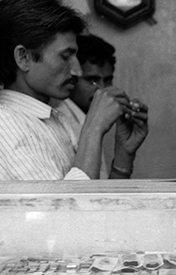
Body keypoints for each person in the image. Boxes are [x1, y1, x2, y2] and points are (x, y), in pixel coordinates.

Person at [0, 0, 142, 180]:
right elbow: (62, 207)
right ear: (23, 57)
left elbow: (95, 203)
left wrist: (123, 155)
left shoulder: (57, 121)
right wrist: (94, 127)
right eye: (65, 56)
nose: (77, 71)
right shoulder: (2, 124)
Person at [51, 34, 149, 179]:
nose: (102, 89)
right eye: (92, 80)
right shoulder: (60, 121)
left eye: (107, 80)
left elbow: (101, 197)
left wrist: (124, 154)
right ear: (72, 78)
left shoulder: (85, 119)